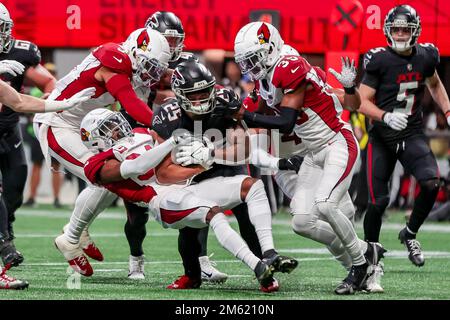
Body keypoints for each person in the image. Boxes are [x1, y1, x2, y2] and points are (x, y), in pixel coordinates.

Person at [233, 21, 385, 294]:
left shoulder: (288, 67)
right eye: (246, 61)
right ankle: (367, 251)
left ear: (270, 50)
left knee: (327, 205)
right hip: (313, 154)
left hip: (337, 142)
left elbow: (288, 121)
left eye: (254, 58)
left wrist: (350, 88)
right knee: (302, 221)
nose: (251, 66)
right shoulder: (267, 81)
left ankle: (360, 267)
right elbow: (250, 126)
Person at [35, 27, 171, 276]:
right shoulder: (114, 61)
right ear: (135, 52)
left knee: (111, 176)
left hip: (84, 125)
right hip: (59, 124)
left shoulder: (128, 59)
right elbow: (131, 104)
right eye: (149, 66)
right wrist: (169, 128)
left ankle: (77, 230)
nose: (151, 73)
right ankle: (71, 237)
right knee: (105, 174)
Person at [359, 5, 450, 268]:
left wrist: (447, 109)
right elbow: (361, 102)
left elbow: (434, 83)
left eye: (405, 29)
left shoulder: (426, 56)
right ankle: (370, 258)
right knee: (378, 202)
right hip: (383, 136)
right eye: (396, 29)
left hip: (411, 132)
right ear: (388, 31)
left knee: (432, 182)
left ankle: (409, 233)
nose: (400, 34)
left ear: (415, 31)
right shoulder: (379, 60)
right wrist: (384, 116)